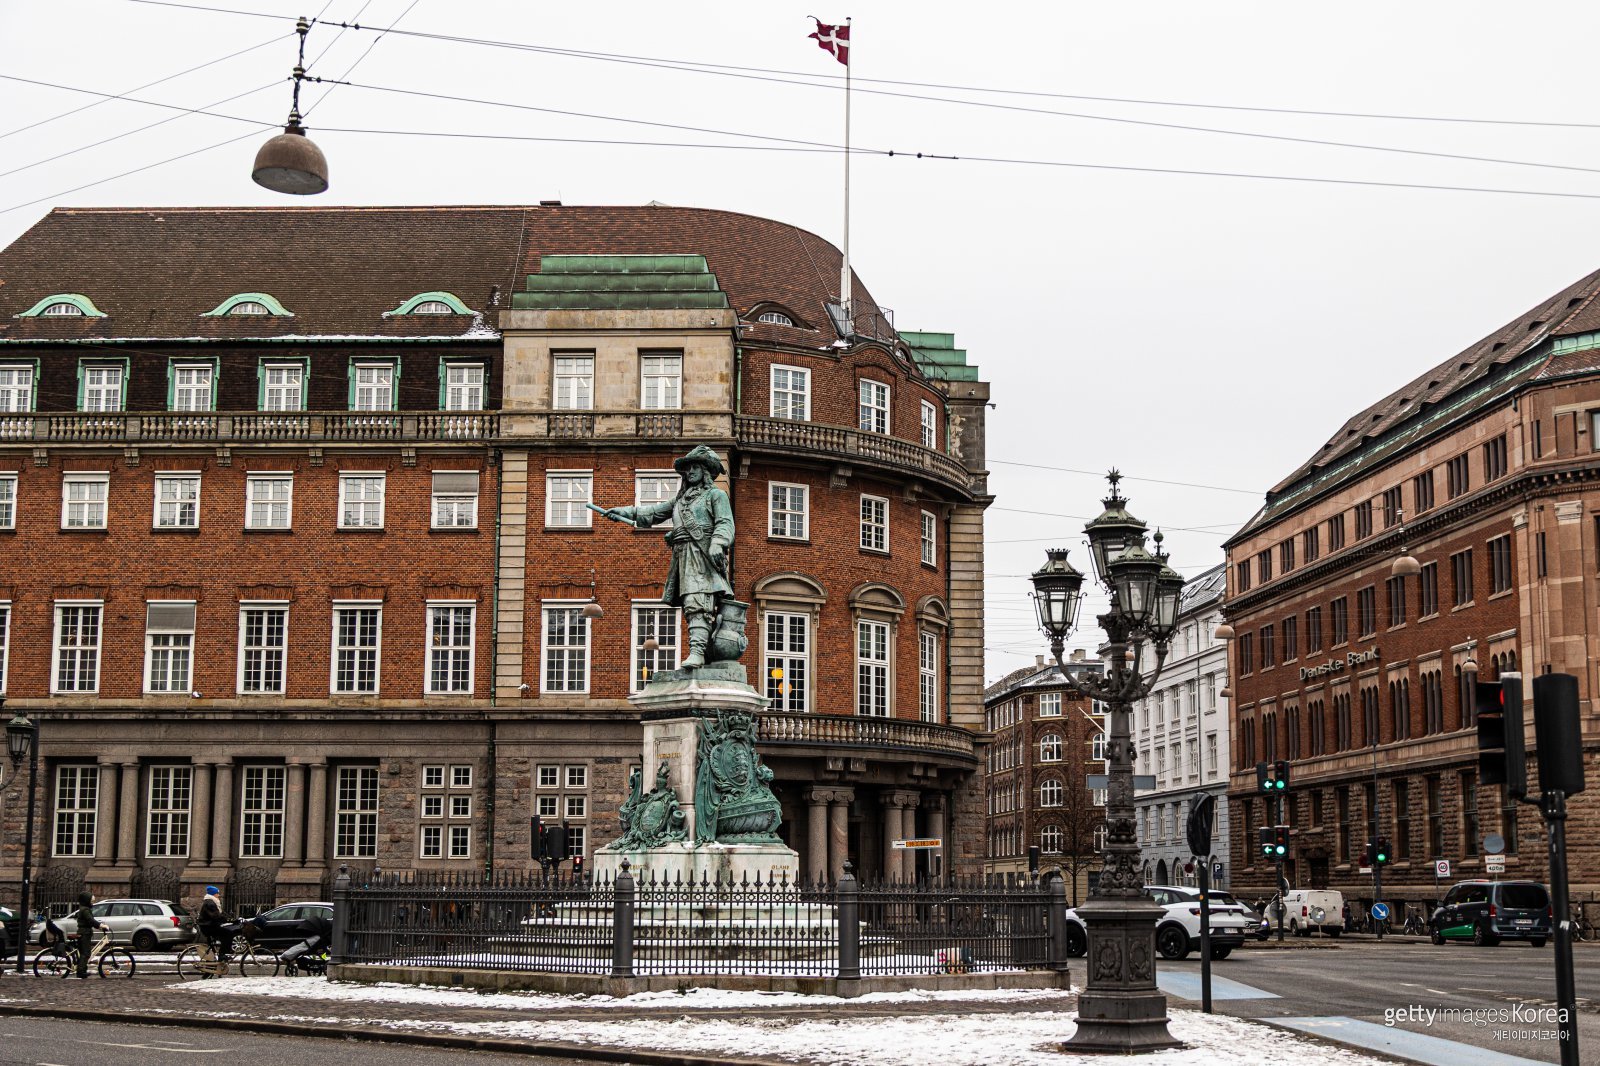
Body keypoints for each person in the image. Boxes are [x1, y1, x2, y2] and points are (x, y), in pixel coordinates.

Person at [598, 446, 734, 669]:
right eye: (687, 468)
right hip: (683, 556)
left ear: (706, 471)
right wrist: (624, 512)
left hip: (702, 555)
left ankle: (698, 652)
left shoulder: (715, 495)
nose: (690, 471)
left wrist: (718, 543)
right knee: (691, 604)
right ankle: (700, 650)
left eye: (695, 467)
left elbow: (725, 523)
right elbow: (652, 512)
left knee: (698, 602)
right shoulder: (680, 501)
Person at [278, 909, 333, 975]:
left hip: (308, 945)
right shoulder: (317, 937)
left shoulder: (317, 937)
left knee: (298, 949)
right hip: (308, 944)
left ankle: (287, 955)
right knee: (298, 949)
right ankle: (287, 955)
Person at [71, 892, 105, 979]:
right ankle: (81, 972)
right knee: (85, 953)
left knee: (84, 952)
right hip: (84, 933)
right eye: (91, 901)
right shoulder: (85, 910)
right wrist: (100, 925)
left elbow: (89, 921)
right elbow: (90, 920)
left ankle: (83, 969)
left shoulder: (84, 908)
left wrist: (98, 926)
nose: (92, 903)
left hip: (84, 932)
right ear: (87, 901)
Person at [197, 885, 229, 965]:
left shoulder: (211, 902)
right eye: (217, 893)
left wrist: (227, 918)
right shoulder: (210, 903)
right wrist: (226, 920)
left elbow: (219, 914)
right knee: (227, 934)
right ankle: (222, 955)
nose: (218, 895)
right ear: (213, 894)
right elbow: (215, 916)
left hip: (208, 926)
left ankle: (215, 959)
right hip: (208, 927)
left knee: (223, 934)